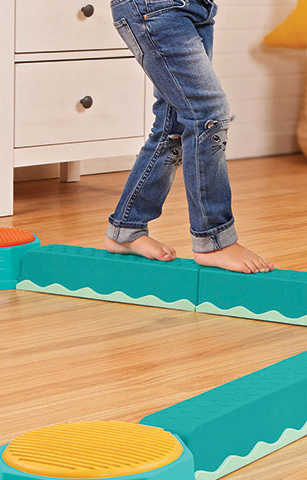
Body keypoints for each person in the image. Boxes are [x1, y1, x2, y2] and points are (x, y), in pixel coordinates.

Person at [105, 0, 272, 274]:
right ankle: (214, 240)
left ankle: (126, 229)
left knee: (172, 124)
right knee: (208, 114)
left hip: (196, 7)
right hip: (156, 8)